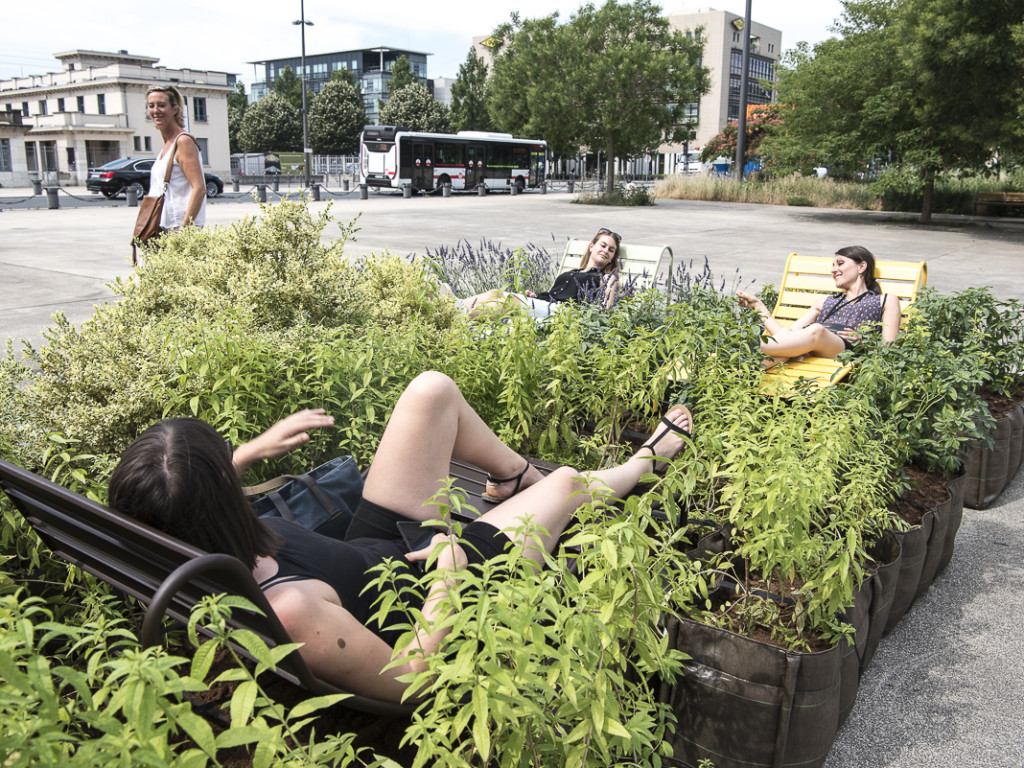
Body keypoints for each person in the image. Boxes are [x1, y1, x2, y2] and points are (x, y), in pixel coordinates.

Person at [108, 371, 692, 702]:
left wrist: (249, 452)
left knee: (431, 393)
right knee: (567, 484)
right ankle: (647, 460)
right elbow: (410, 684)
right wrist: (448, 579)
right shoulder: (290, 613)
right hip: (428, 588)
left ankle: (513, 478)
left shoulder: (171, 541)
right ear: (221, 510)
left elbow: (177, 498)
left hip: (371, 555)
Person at [736, 246, 901, 369]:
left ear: (861, 267)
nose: (833, 270)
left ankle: (738, 346)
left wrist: (867, 342)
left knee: (817, 330)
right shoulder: (825, 302)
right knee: (786, 347)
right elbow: (786, 335)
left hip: (849, 350)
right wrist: (758, 306)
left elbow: (890, 349)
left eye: (840, 263)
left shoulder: (885, 300)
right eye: (833, 266)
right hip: (812, 344)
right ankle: (744, 375)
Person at [461, 228, 621, 319]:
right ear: (592, 246)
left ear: (612, 257)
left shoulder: (607, 278)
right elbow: (554, 294)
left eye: (611, 250)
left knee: (506, 301)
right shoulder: (570, 271)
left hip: (564, 313)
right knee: (495, 293)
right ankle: (454, 307)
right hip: (546, 304)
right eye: (603, 245)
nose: (606, 251)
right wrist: (533, 295)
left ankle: (453, 311)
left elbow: (606, 310)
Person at [145, 85, 206, 230]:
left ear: (175, 109)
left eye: (161, 105)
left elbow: (199, 188)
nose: (155, 110)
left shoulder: (183, 141)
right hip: (162, 225)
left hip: (178, 226)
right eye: (151, 106)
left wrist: (184, 228)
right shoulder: (167, 144)